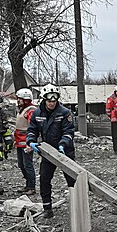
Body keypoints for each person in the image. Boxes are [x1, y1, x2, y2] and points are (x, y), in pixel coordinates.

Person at [26, 84, 76, 218]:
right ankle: (47, 208)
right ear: (44, 100)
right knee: (44, 179)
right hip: (48, 152)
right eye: (49, 101)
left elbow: (69, 131)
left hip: (65, 151)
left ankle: (77, 207)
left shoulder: (65, 113)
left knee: (72, 180)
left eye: (54, 101)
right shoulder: (37, 113)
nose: (52, 103)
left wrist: (63, 145)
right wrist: (31, 141)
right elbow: (32, 130)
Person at [14, 88, 37, 195]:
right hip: (20, 142)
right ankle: (28, 185)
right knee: (21, 165)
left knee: (28, 165)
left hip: (26, 142)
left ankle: (32, 187)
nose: (18, 101)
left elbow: (32, 127)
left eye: (20, 99)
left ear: (26, 100)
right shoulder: (22, 110)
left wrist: (29, 143)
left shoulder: (31, 111)